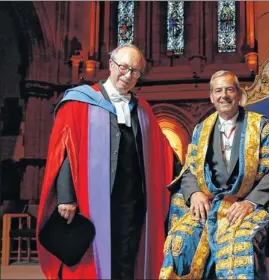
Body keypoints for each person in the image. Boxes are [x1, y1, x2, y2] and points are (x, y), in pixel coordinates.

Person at [36, 44, 175, 279]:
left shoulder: (143, 110)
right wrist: (66, 197)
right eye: (124, 67)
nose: (128, 75)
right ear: (111, 65)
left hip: (133, 204)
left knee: (128, 258)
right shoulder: (79, 102)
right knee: (92, 261)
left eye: (135, 72)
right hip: (91, 201)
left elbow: (165, 154)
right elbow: (64, 151)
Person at [159, 70, 269, 279]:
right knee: (179, 241)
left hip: (245, 204)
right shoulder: (201, 129)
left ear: (239, 94)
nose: (224, 95)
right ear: (211, 97)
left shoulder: (262, 126)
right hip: (209, 203)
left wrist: (251, 203)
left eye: (229, 89)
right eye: (218, 90)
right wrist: (194, 195)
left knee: (236, 246)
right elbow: (189, 169)